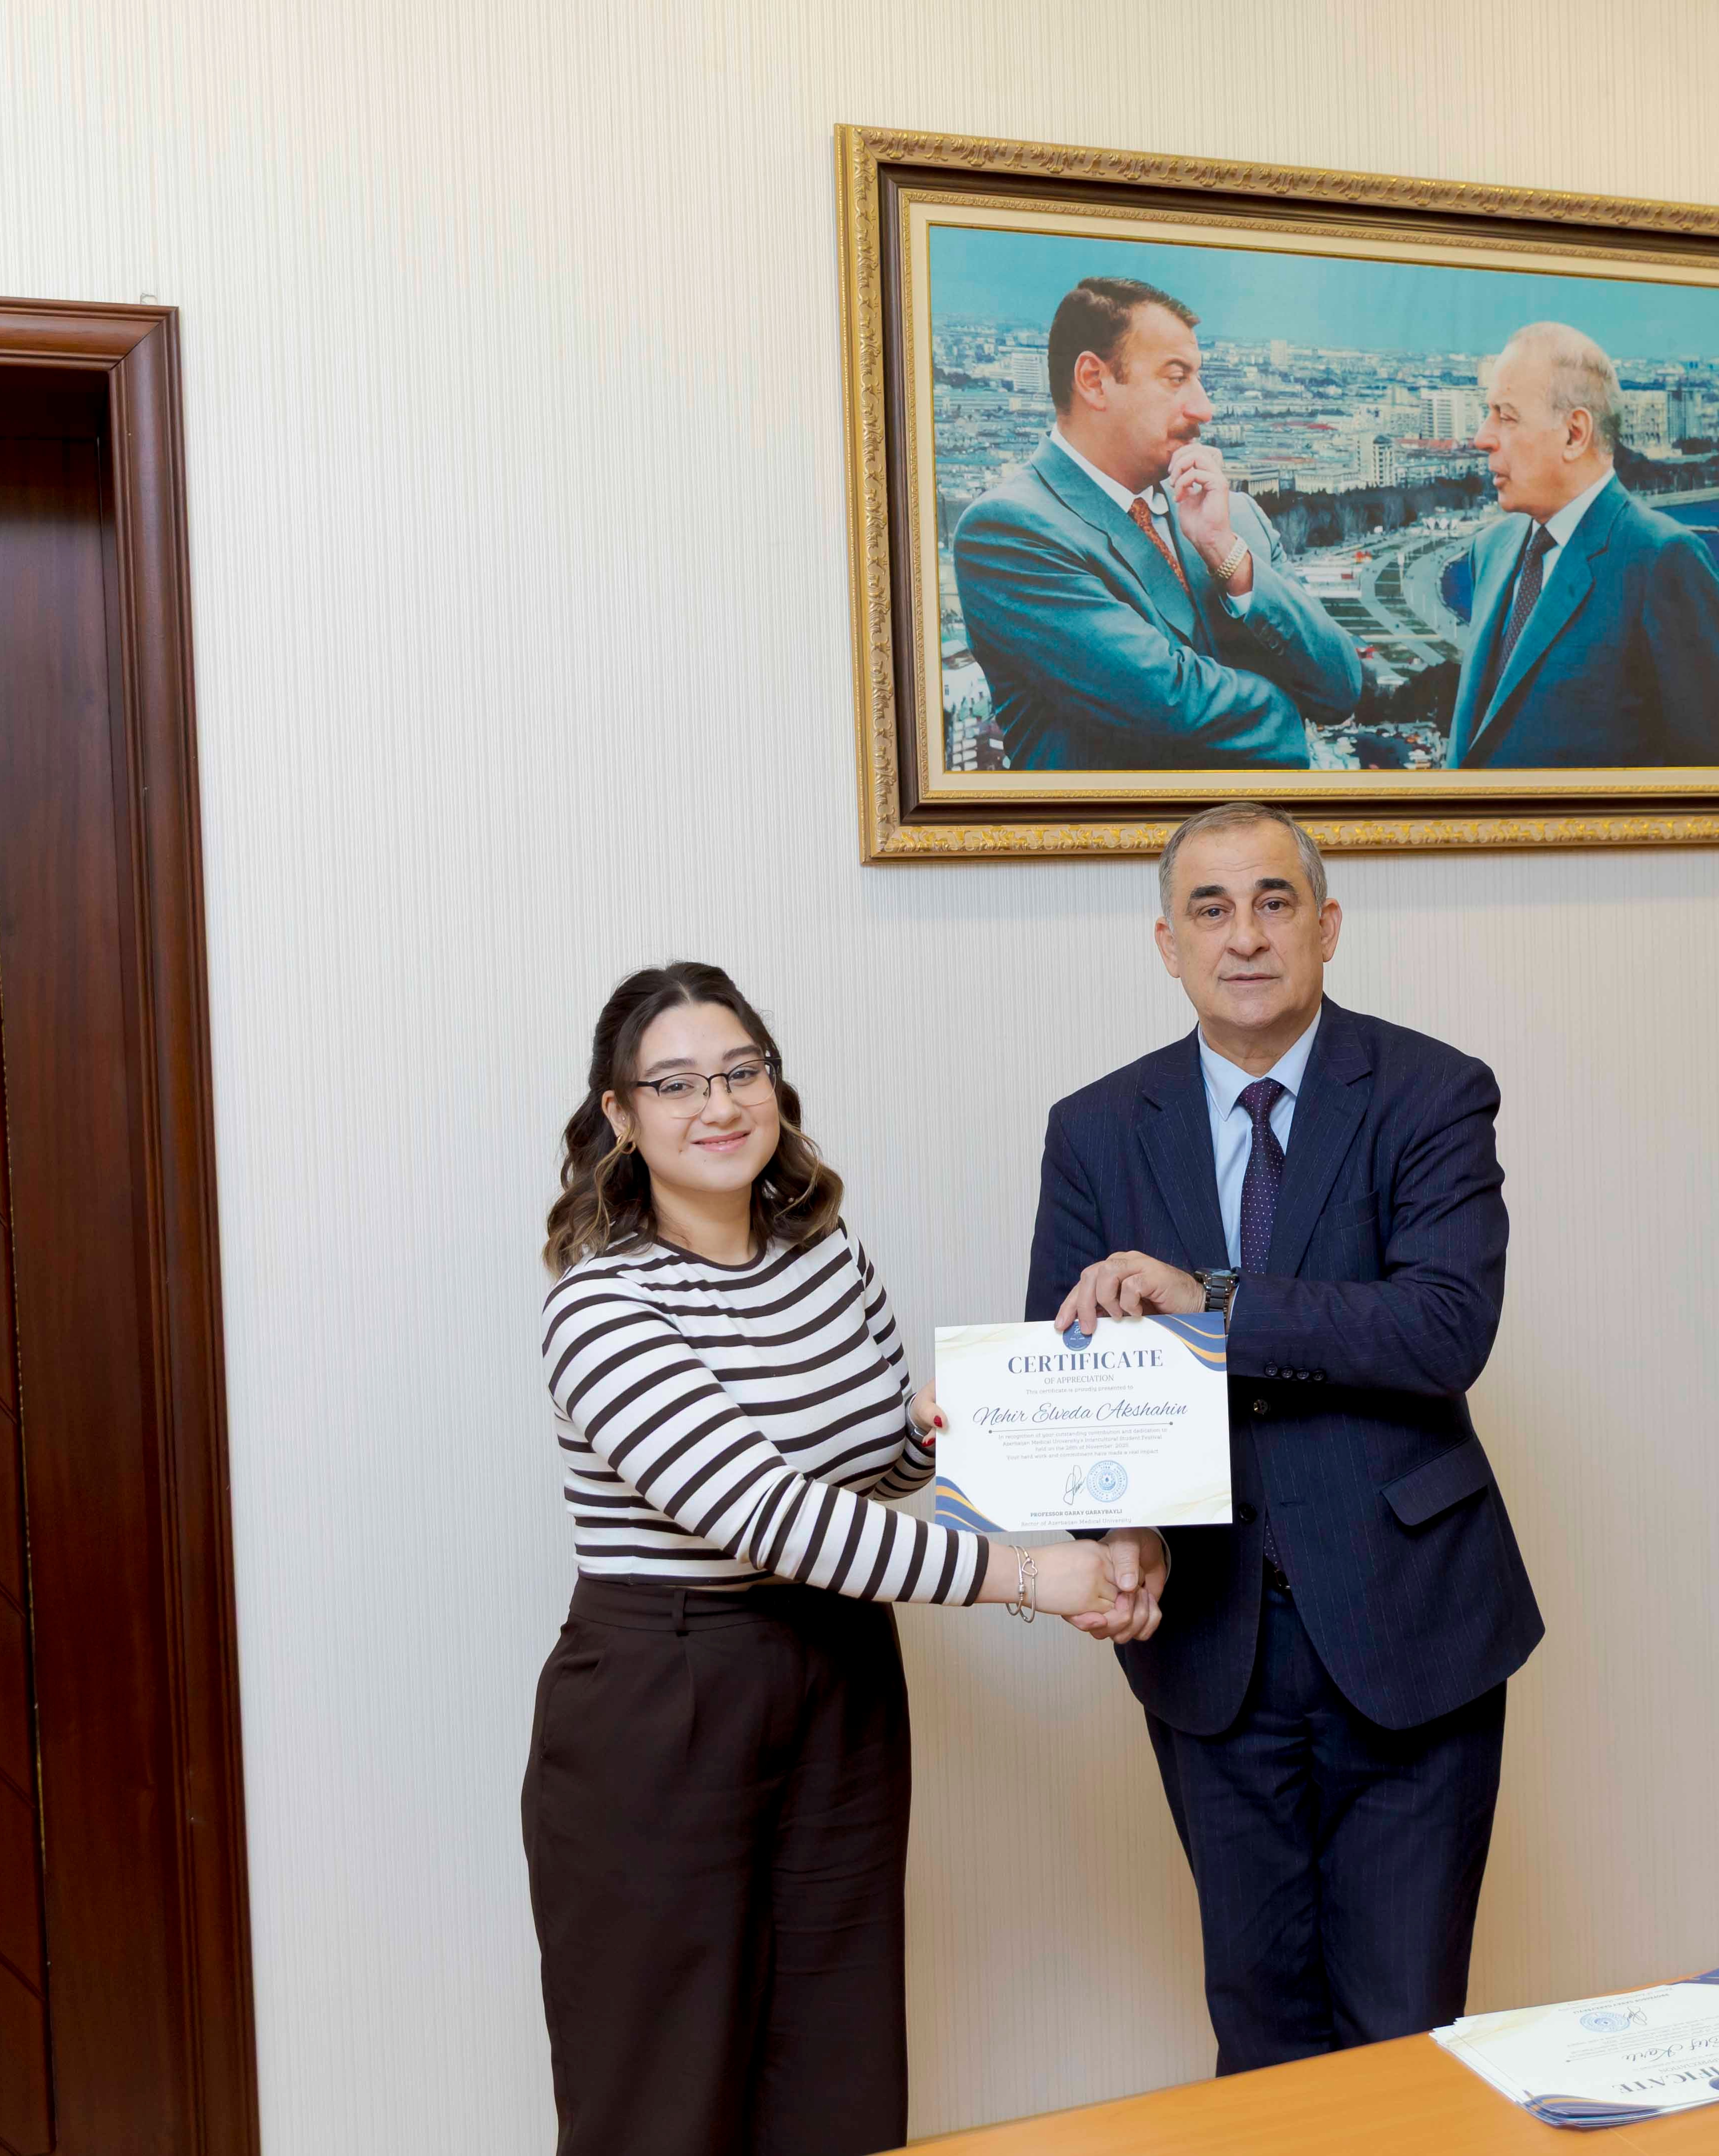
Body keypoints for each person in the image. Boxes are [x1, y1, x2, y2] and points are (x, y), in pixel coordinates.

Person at [526, 963, 1121, 2156]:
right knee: (659, 2086)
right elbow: (767, 1515)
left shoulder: (824, 1253)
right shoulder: (599, 1305)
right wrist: (1027, 1575)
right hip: (666, 1688)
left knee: (835, 2059)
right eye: (676, 1083)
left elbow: (872, 1467)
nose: (719, 1103)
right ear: (619, 1115)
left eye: (740, 1070)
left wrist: (937, 1428)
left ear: (775, 1083)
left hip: (839, 1668)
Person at [1027, 803, 1543, 2073]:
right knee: (1258, 2033)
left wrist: (1212, 1298)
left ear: (1326, 925)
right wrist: (1120, 1521)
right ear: (1167, 943)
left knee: (1403, 2031)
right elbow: (1069, 1373)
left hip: (1409, 1626)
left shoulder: (1429, 1090)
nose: (1244, 936)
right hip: (1210, 1640)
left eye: (1273, 902)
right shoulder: (1096, 1126)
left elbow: (1444, 1327)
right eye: (1209, 909)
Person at [953, 276, 1364, 770]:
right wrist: (1293, 706)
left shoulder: (1234, 518)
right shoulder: (1009, 531)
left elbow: (1340, 687)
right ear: (1094, 380)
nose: (1204, 408)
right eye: (1176, 378)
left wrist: (1227, 555)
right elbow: (1166, 704)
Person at [1447, 321, 1719, 769]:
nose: (1482, 438)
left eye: (1506, 417)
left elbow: (1716, 771)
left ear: (1574, 434)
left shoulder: (1662, 561)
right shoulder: (1490, 549)